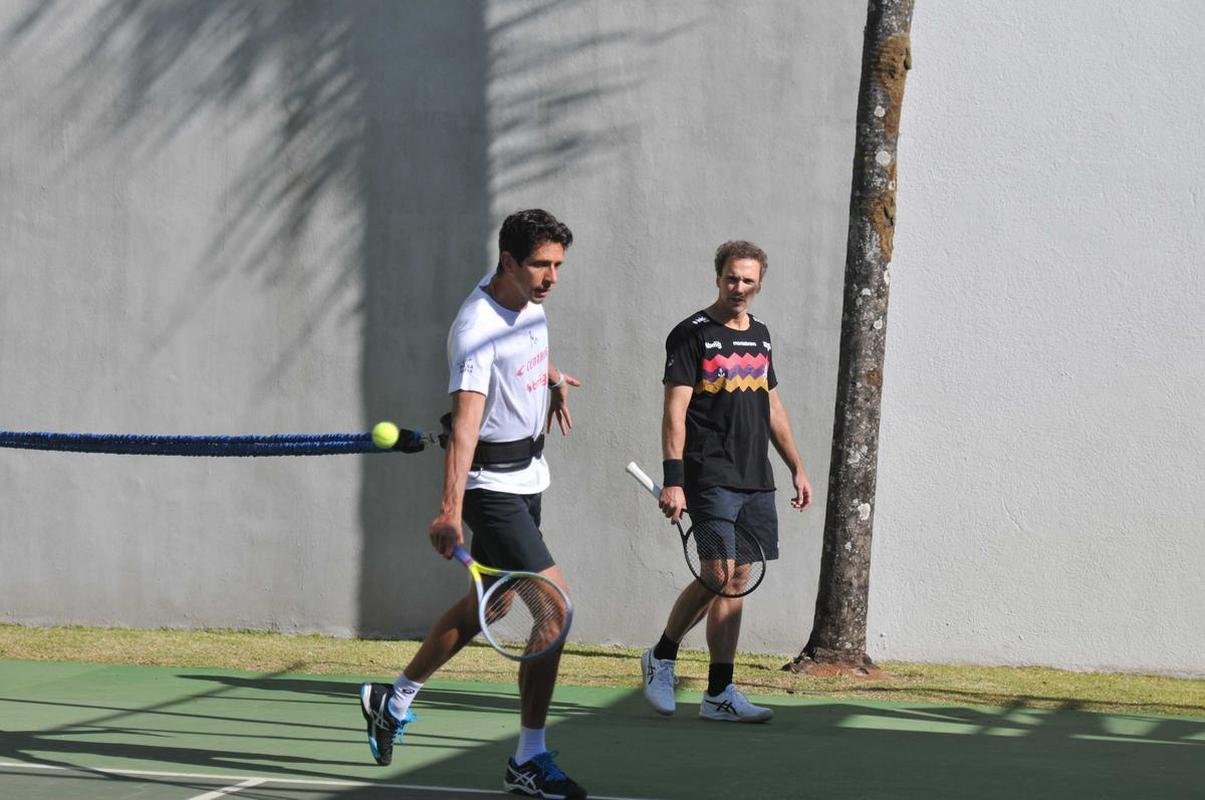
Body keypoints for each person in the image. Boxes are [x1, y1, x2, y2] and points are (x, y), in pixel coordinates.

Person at [359, 209, 587, 799]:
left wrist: (554, 381)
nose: (552, 277)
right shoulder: (475, 328)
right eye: (541, 264)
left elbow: (530, 351)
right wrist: (449, 510)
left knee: (495, 601)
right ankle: (528, 761)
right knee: (555, 612)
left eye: (558, 265)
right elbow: (464, 428)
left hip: (529, 476)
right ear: (507, 261)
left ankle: (395, 695)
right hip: (491, 490)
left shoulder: (529, 301)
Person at [640, 240, 813, 722]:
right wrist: (673, 480)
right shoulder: (691, 334)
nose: (739, 287)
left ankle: (719, 693)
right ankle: (663, 655)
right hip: (708, 473)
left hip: (756, 476)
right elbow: (674, 410)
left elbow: (772, 406)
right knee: (716, 574)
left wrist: (796, 464)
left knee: (738, 580)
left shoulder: (760, 335)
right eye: (731, 278)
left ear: (759, 284)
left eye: (748, 280)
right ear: (718, 278)